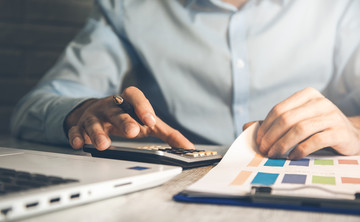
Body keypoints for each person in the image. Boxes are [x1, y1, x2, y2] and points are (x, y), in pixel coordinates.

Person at [10, 0, 360, 160]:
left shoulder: (343, 7)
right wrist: (82, 112)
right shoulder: (126, 7)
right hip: (176, 189)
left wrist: (353, 130)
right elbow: (33, 108)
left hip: (311, 173)